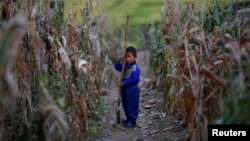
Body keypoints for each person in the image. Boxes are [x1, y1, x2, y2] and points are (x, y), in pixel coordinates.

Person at [114, 46, 141, 128]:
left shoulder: (135, 68)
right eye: (126, 57)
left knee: (132, 104)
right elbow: (118, 68)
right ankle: (128, 118)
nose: (127, 59)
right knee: (125, 103)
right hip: (125, 88)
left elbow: (134, 79)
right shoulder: (125, 66)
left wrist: (125, 82)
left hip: (132, 89)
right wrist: (118, 61)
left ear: (135, 57)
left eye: (129, 56)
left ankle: (132, 121)